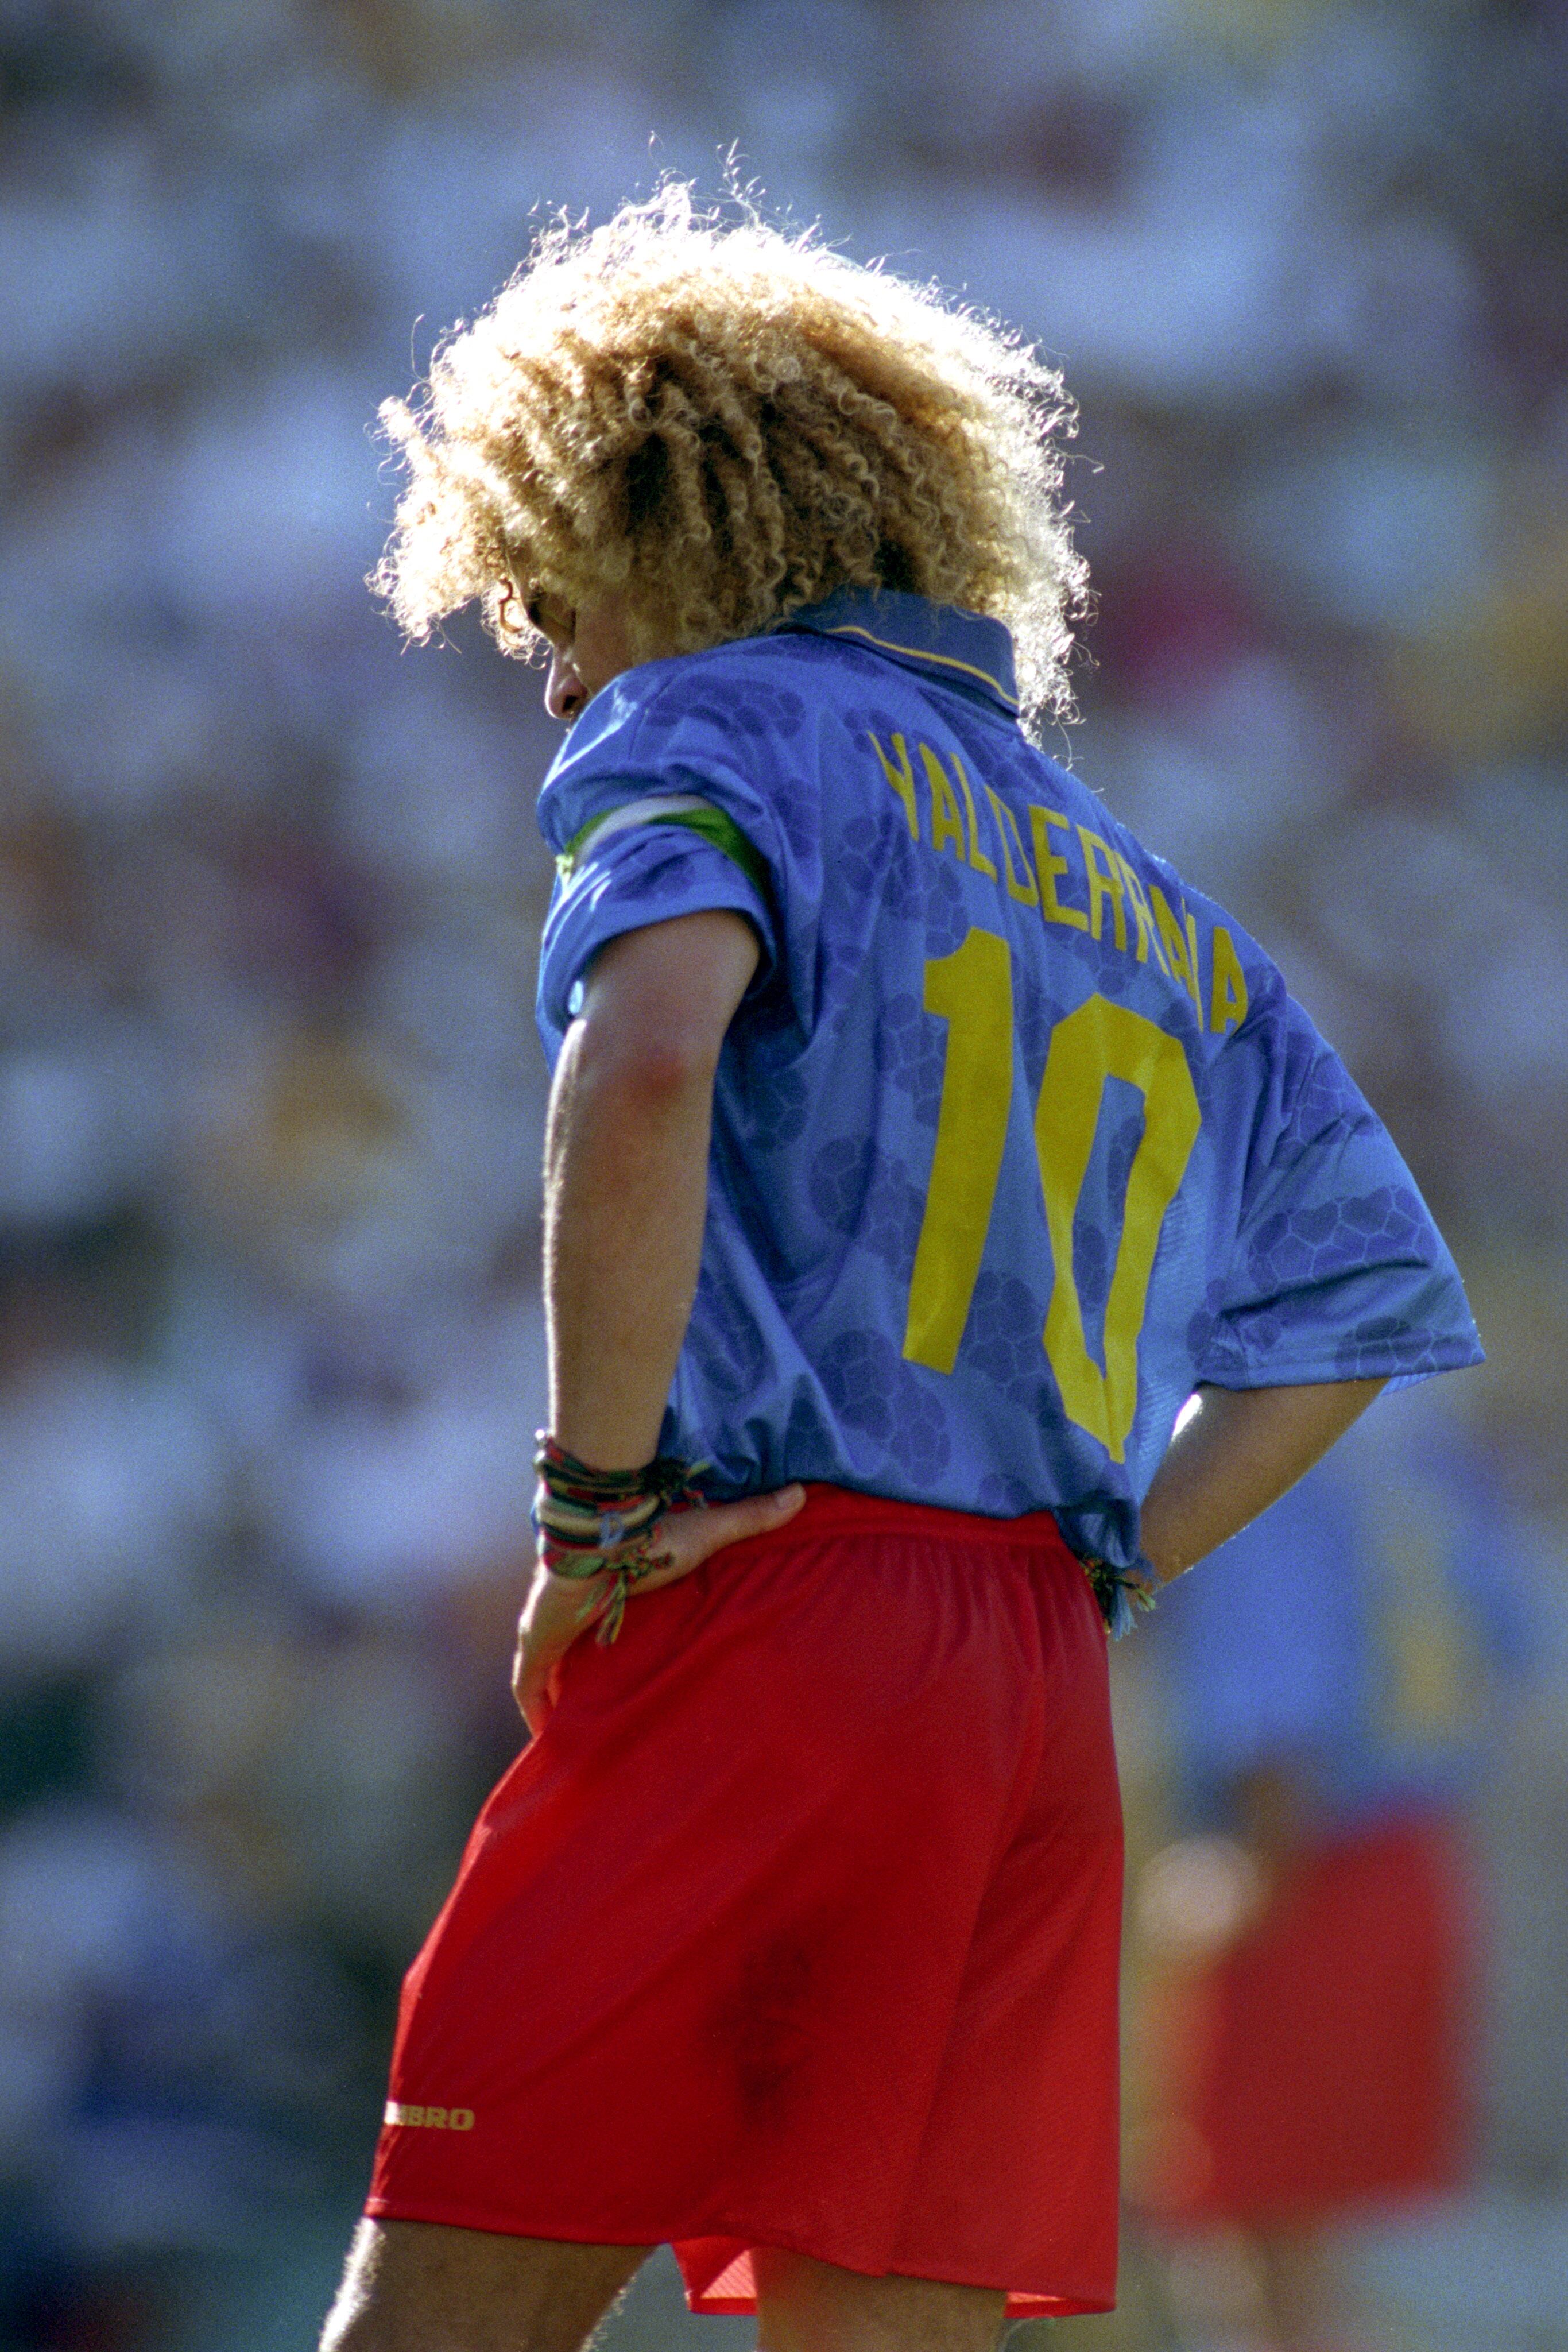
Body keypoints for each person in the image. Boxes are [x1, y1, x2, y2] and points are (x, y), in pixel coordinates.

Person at [320, 187, 1482, 2352]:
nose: (558, 669)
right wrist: (1111, 1559)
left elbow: (649, 1053)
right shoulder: (1143, 883)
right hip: (1034, 1677)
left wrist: (590, 1508)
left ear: (659, 523)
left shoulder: (706, 722)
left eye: (553, 599)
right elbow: (1354, 1316)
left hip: (754, 1601)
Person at [1130, 1385, 1528, 2350]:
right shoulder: (1416, 1416)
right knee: (1312, 2265)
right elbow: (1515, 1643)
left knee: (1261, 2273)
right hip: (1415, 1860)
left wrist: (1223, 1892)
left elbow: (1279, 1717)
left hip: (1293, 1878)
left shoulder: (1256, 1420)